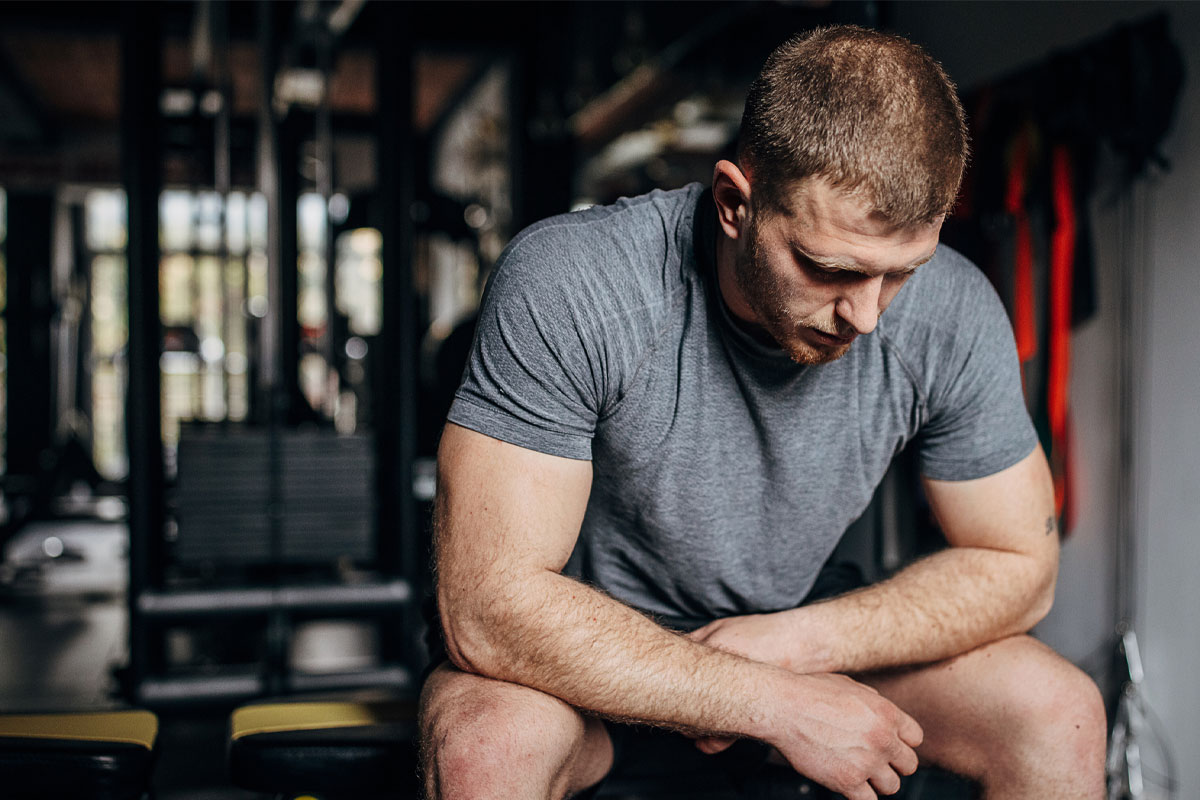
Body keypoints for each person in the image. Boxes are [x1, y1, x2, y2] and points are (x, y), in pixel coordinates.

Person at [419, 25, 1107, 800]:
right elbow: (486, 606)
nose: (869, 317)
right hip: (585, 665)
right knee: (487, 744)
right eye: (830, 268)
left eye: (902, 274)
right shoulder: (575, 282)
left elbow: (1021, 567)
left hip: (793, 637)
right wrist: (768, 702)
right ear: (732, 204)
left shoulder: (953, 309)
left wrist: (796, 644)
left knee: (1059, 713)